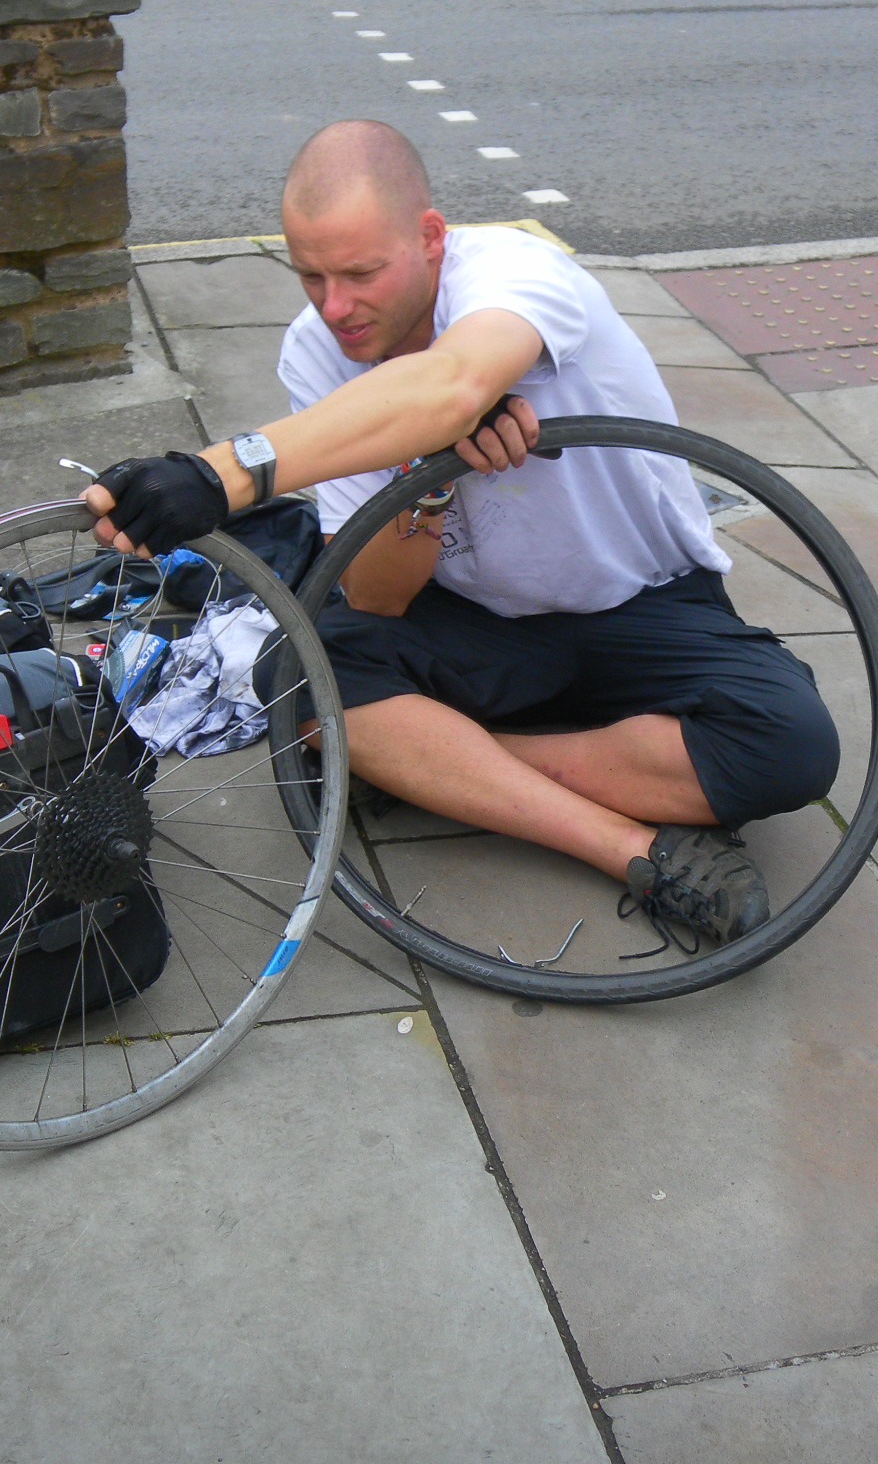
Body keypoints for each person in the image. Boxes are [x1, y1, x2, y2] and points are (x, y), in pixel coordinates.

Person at [83, 120, 838, 947]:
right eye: (311, 278)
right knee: (299, 673)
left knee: (790, 747)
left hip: (640, 604)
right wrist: (427, 479)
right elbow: (374, 594)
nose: (336, 308)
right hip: (477, 625)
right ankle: (631, 849)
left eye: (362, 273)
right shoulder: (318, 352)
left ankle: (439, 767)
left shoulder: (516, 272)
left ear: (431, 238)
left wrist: (222, 474)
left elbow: (452, 380)